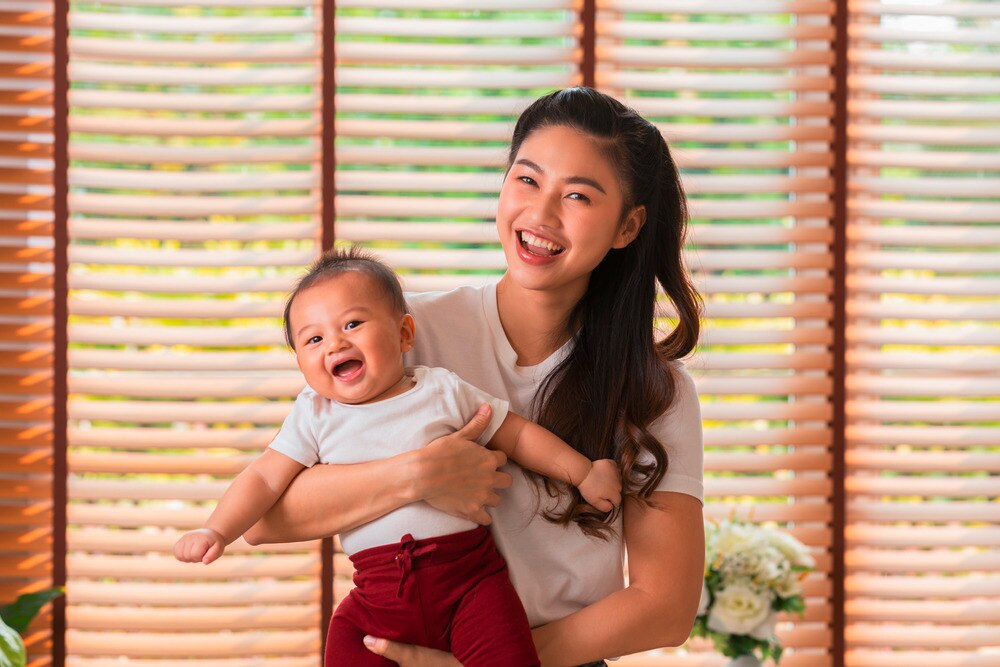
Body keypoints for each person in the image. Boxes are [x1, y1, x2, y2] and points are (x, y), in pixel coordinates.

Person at [245, 86, 706, 666]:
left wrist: (484, 660)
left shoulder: (655, 390)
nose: (540, 215)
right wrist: (417, 475)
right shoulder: (401, 333)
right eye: (527, 180)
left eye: (578, 196)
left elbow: (665, 607)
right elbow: (265, 516)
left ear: (627, 226)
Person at [174, 247, 623, 666]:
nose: (334, 344)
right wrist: (217, 529)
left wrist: (583, 472)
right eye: (313, 339)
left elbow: (518, 435)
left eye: (352, 324)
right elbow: (264, 479)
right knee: (345, 643)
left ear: (405, 333)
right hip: (377, 596)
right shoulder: (314, 414)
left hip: (469, 583)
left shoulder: (440, 389)